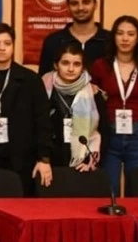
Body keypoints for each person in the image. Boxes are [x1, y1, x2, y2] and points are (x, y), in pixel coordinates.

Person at [0, 23, 53, 193]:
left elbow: (43, 120)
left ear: (13, 46)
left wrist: (44, 158)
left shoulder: (31, 79)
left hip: (21, 159)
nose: (2, 48)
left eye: (7, 43)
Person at [89, 15, 138, 194]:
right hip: (109, 133)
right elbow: (90, 95)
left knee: (137, 190)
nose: (125, 38)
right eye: (120, 33)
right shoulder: (100, 66)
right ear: (113, 37)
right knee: (108, 190)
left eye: (130, 34)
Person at [45, 42, 108, 170]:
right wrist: (43, 160)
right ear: (56, 65)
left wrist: (90, 163)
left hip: (84, 165)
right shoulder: (43, 89)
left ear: (83, 67)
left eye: (77, 64)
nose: (71, 69)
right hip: (50, 163)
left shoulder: (94, 93)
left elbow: (104, 130)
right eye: (65, 63)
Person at [38, 0, 112, 73]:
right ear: (68, 7)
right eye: (74, 3)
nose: (80, 8)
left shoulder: (110, 40)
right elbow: (44, 81)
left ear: (95, 5)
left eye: (86, 2)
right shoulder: (53, 41)